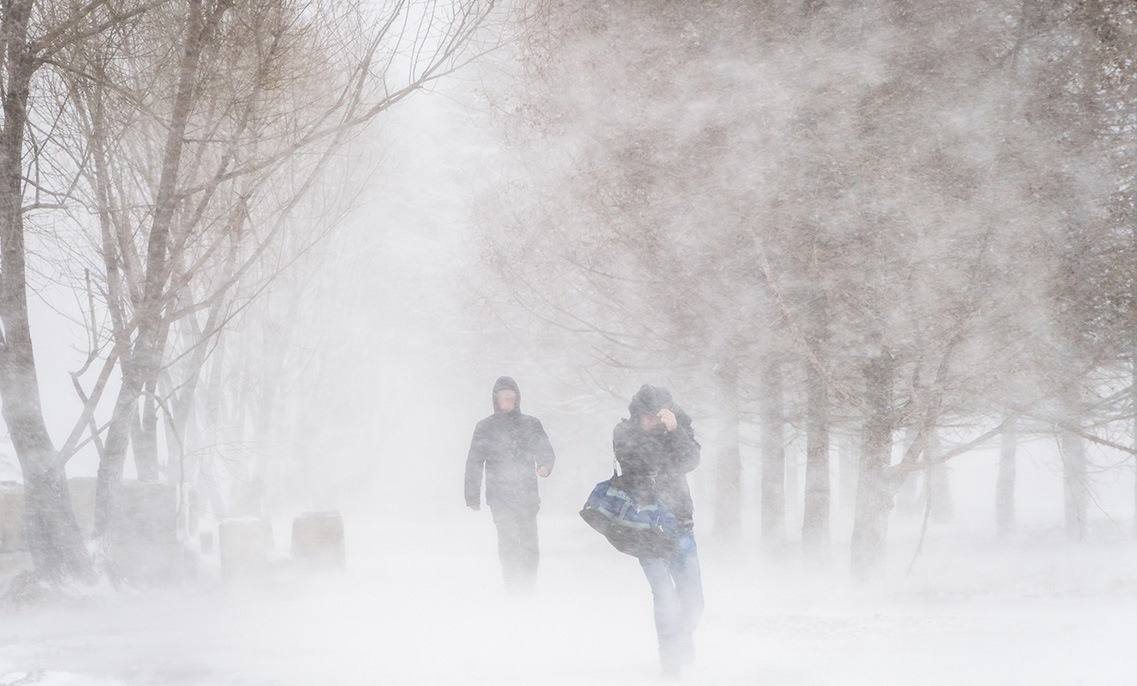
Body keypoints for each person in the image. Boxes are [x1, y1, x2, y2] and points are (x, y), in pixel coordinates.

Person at [613, 384, 703, 675]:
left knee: (693, 599)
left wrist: (675, 430)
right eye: (648, 416)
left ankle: (682, 640)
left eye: (658, 415)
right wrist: (655, 433)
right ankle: (670, 662)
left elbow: (690, 461)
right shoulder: (625, 432)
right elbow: (638, 463)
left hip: (680, 522)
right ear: (639, 414)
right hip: (646, 527)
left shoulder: (679, 427)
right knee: (664, 596)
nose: (654, 420)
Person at [464, 376, 556, 593]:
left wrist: (545, 466)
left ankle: (528, 587)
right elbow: (474, 462)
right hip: (499, 497)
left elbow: (545, 450)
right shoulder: (485, 428)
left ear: (517, 399)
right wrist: (472, 495)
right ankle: (513, 588)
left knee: (529, 544)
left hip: (527, 495)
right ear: (496, 400)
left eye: (511, 398)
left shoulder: (531, 425)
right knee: (508, 543)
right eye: (503, 398)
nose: (507, 402)